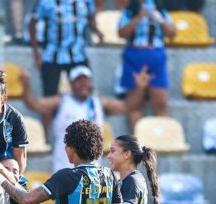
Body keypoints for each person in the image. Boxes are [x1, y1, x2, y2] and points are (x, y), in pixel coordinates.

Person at [19, 65, 150, 173]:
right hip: (64, 169)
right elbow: (34, 104)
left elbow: (127, 106)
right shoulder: (61, 102)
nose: (83, 84)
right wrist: (26, 85)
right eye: (79, 81)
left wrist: (139, 88)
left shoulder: (98, 103)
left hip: (92, 170)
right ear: (71, 84)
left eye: (86, 80)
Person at [29, 0, 103, 133]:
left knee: (86, 93)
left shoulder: (86, 2)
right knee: (49, 98)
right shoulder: (46, 2)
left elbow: (91, 18)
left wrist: (97, 31)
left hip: (78, 55)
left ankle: (89, 132)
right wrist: (36, 51)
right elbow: (32, 24)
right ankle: (46, 135)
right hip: (52, 55)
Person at [117, 0, 177, 129]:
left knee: (160, 103)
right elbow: (122, 33)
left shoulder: (161, 11)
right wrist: (139, 17)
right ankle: (136, 139)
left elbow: (173, 33)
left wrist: (159, 19)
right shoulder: (129, 12)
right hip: (134, 57)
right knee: (135, 105)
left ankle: (160, 137)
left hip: (156, 57)